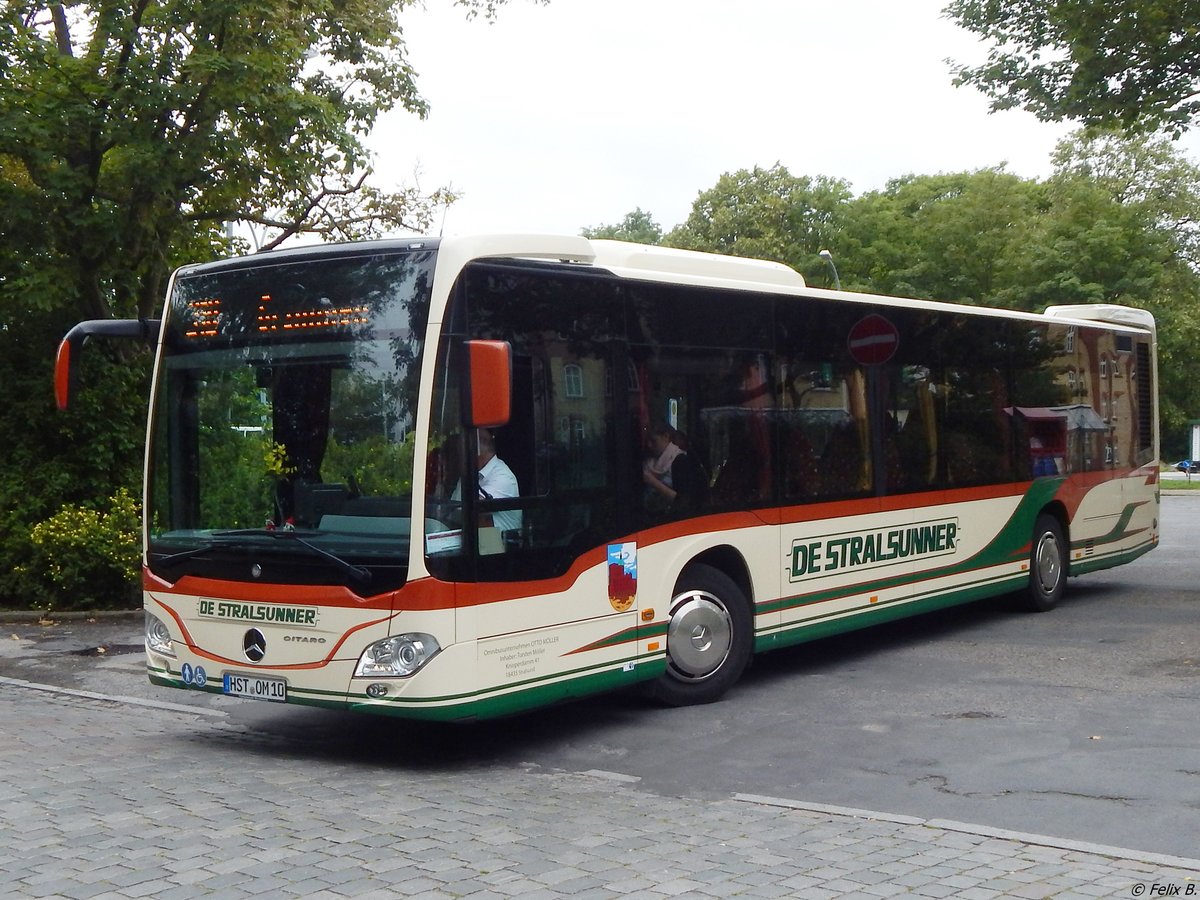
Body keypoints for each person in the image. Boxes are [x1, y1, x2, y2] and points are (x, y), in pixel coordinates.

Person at [448, 429, 521, 533]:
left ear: (475, 450)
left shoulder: (503, 477)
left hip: (499, 546)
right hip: (473, 540)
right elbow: (452, 509)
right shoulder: (467, 475)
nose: (458, 456)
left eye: (461, 450)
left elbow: (475, 507)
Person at [642, 423, 706, 513]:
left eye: (653, 441)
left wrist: (653, 482)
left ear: (666, 437)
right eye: (647, 441)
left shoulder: (680, 461)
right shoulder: (648, 461)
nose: (649, 445)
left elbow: (683, 500)